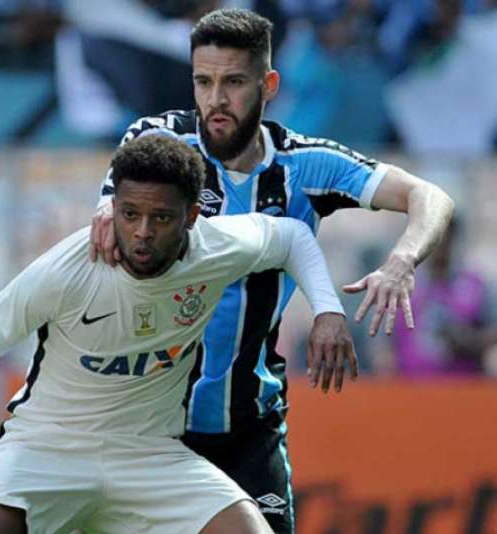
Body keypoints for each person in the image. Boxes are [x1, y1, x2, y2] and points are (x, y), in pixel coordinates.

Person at [89, 8, 455, 532]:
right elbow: (112, 211)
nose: (215, 100)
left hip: (248, 429)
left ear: (269, 85)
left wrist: (400, 261)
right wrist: (105, 211)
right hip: (151, 425)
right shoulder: (161, 144)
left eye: (234, 82)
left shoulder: (303, 166)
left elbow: (431, 196)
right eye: (204, 81)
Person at [0, 135, 356, 534]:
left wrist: (328, 311)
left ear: (192, 216)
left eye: (162, 218)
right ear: (112, 208)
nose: (143, 232)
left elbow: (294, 236)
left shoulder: (217, 248)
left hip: (149, 453)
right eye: (130, 214)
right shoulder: (67, 269)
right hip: (47, 445)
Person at [392, 218, 496, 376]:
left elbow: (492, 332)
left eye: (443, 236)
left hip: (462, 389)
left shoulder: (475, 285)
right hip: (410, 389)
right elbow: (384, 347)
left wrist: (471, 340)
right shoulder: (401, 286)